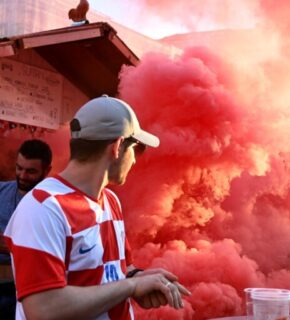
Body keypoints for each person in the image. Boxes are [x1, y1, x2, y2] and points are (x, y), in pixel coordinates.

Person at [4, 96, 190, 319]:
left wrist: (138, 278)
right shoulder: (43, 207)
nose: (135, 160)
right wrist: (129, 288)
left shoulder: (110, 200)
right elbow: (43, 308)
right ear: (118, 147)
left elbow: (113, 273)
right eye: (137, 149)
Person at [0, 139, 52, 319]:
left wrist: (10, 245)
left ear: (47, 171)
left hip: (26, 292)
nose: (22, 175)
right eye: (19, 168)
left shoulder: (52, 204)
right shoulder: (2, 190)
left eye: (30, 171)